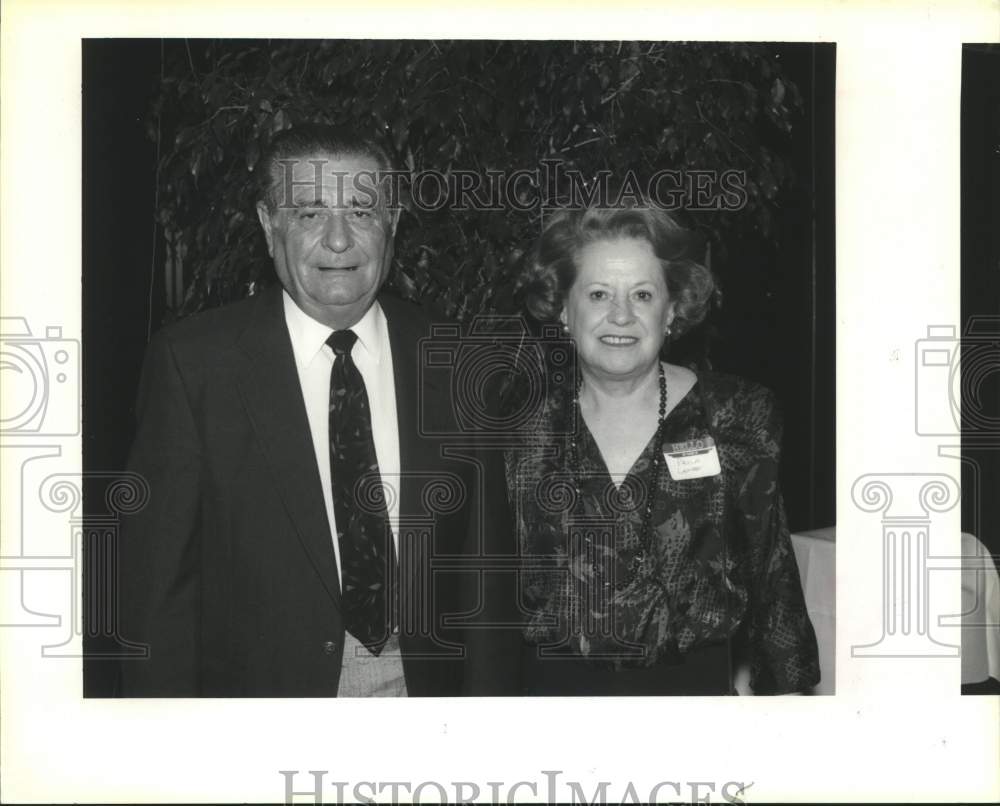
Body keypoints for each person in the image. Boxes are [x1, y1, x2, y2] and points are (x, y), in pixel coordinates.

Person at [116, 124, 513, 697]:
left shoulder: (457, 362)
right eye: (307, 214)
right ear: (267, 225)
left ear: (393, 223)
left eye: (360, 211)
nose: (337, 240)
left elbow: (487, 581)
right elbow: (158, 595)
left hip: (429, 711)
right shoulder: (194, 366)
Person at [507, 202, 820, 695]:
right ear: (563, 309)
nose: (621, 315)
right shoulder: (519, 430)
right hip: (551, 704)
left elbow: (771, 571)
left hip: (691, 700)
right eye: (598, 294)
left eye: (643, 294)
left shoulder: (735, 415)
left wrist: (790, 704)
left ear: (671, 310)